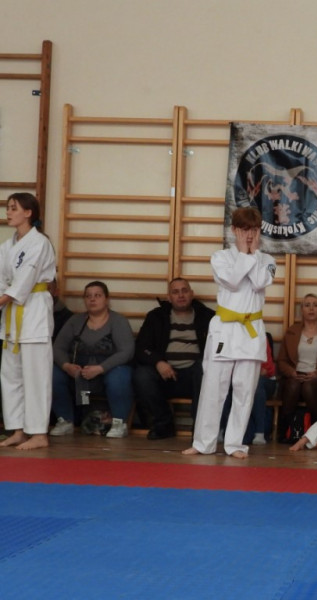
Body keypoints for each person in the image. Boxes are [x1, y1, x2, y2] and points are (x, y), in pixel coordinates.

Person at [182, 207, 276, 458]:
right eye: (244, 229)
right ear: (234, 230)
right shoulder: (220, 257)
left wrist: (252, 254)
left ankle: (235, 444)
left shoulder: (268, 260)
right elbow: (233, 282)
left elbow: (259, 282)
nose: (249, 234)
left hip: (251, 331)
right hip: (225, 328)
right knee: (213, 388)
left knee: (245, 391)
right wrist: (244, 254)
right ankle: (203, 443)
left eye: (253, 229)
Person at [0, 193, 56, 450]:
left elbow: (24, 281)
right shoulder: (6, 245)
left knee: (36, 375)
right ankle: (18, 430)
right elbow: (2, 280)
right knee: (11, 375)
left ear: (28, 212)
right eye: (8, 208)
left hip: (34, 311)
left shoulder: (39, 243)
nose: (8, 212)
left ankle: (39, 433)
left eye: (14, 208)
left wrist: (4, 298)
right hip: (11, 314)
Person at [51, 281, 135, 438]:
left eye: (97, 295)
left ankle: (119, 423)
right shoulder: (75, 321)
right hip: (78, 374)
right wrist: (67, 366)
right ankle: (65, 420)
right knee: (53, 374)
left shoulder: (118, 321)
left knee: (120, 376)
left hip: (108, 371)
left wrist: (101, 368)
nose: (92, 299)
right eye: (88, 296)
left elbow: (127, 352)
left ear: (106, 299)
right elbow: (58, 348)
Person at [133, 278, 214, 440]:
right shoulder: (156, 316)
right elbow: (141, 347)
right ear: (169, 297)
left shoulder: (208, 316)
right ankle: (163, 424)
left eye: (184, 291)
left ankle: (200, 429)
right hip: (165, 375)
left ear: (192, 294)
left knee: (205, 368)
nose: (181, 295)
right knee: (142, 375)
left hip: (195, 376)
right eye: (175, 292)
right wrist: (158, 362)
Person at [276, 293, 317, 442]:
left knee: (308, 387)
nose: (311, 308)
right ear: (301, 310)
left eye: (315, 305)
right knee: (293, 385)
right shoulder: (291, 332)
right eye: (307, 305)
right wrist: (291, 372)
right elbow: (281, 361)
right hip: (294, 376)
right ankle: (285, 431)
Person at [220, 331, 277, 444]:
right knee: (224, 385)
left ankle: (260, 432)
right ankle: (221, 430)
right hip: (239, 379)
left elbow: (267, 369)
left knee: (256, 384)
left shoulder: (259, 335)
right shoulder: (230, 336)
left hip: (263, 380)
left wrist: (246, 372)